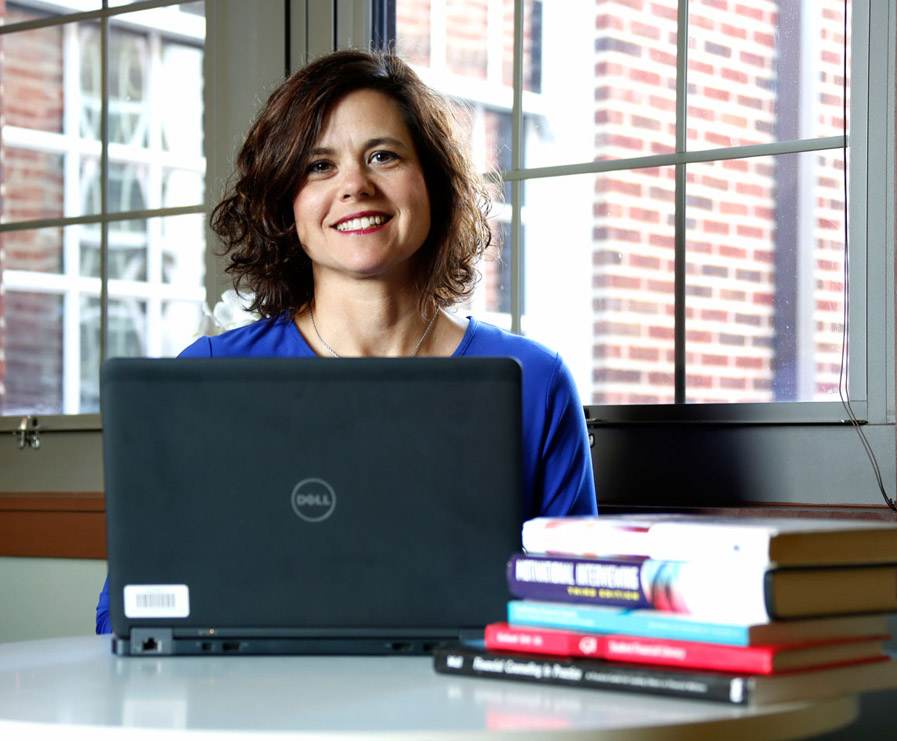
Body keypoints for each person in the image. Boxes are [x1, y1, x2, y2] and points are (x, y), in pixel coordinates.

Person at [95, 48, 596, 634]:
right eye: (318, 166)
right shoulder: (207, 374)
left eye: (383, 156)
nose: (356, 185)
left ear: (431, 184)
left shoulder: (534, 380)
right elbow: (124, 615)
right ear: (287, 203)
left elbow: (577, 607)